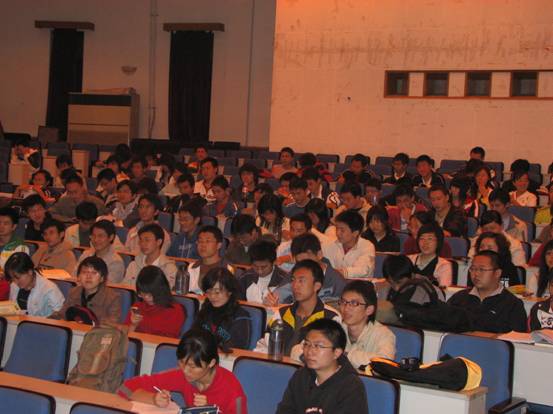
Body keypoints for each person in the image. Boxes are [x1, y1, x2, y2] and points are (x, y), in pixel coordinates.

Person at [118, 329, 247, 413]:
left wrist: (211, 411)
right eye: (181, 362)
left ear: (211, 363)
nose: (185, 370)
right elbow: (126, 388)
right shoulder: (182, 375)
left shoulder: (231, 388)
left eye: (192, 366)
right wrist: (153, 399)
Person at [276, 319, 368, 414]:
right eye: (307, 344)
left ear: (336, 353)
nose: (310, 351)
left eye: (318, 346)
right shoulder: (301, 376)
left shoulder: (351, 387)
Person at [255, 260, 341, 356]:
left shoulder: (330, 318)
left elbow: (328, 356)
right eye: (293, 280)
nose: (295, 286)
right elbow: (263, 346)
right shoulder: (281, 313)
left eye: (301, 281)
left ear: (316, 286)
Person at [447, 250, 527, 333]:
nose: (476, 274)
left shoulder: (513, 304)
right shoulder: (459, 298)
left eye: (482, 269)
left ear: (497, 273)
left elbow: (517, 338)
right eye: (473, 269)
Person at [338, 281, 396, 367]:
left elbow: (384, 363)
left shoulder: (384, 334)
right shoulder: (336, 327)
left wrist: (346, 355)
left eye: (354, 303)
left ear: (369, 310)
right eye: (343, 302)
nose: (346, 308)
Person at [277, 233, 346, 305]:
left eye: (308, 262)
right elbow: (278, 297)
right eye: (300, 262)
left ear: (319, 254)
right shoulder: (294, 274)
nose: (304, 267)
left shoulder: (336, 282)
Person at [51, 256, 121, 324]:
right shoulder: (73, 292)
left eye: (94, 273)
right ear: (78, 277)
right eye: (84, 272)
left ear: (102, 278)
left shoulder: (112, 298)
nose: (88, 277)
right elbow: (62, 314)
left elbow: (112, 324)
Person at [194, 267, 251, 350]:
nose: (212, 296)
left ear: (229, 291)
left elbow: (238, 347)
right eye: (208, 292)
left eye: (217, 292)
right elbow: (193, 335)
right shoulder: (205, 309)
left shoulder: (241, 316)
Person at [125, 266, 186, 338]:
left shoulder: (175, 310)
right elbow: (125, 338)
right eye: (142, 294)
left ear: (161, 290)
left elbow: (168, 341)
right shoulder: (137, 308)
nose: (146, 298)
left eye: (150, 294)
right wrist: (133, 325)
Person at [6, 252, 64, 317]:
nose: (15, 281)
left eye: (17, 277)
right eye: (12, 278)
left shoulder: (49, 289)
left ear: (30, 272)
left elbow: (60, 314)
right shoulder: (14, 286)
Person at [124, 224, 177, 289]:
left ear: (159, 242)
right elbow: (125, 290)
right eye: (141, 240)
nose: (143, 244)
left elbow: (165, 292)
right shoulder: (133, 265)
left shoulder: (169, 269)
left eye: (147, 240)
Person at [325, 210, 375, 278]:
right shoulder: (332, 244)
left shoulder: (367, 246)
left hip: (359, 284)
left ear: (355, 233)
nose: (337, 233)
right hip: (335, 283)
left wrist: (336, 273)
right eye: (337, 228)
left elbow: (362, 270)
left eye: (342, 230)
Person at [237, 240, 289, 304]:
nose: (260, 271)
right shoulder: (245, 277)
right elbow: (238, 301)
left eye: (264, 267)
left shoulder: (284, 280)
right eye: (255, 266)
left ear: (274, 262)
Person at [408, 223, 453, 287]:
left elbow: (443, 290)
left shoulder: (443, 265)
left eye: (430, 239)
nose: (425, 243)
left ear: (438, 241)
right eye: (422, 238)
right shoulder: (409, 260)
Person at [188, 225, 230, 293]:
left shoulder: (228, 269)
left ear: (219, 245)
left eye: (208, 241)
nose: (203, 245)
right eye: (200, 241)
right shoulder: (190, 267)